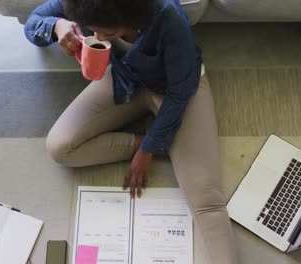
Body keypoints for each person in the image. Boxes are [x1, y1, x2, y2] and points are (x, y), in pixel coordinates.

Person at [24, 0, 238, 263]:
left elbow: (180, 92)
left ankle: (164, 145)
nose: (99, 38)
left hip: (176, 89)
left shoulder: (167, 15)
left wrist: (149, 149)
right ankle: (164, 147)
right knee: (59, 147)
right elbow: (34, 21)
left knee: (207, 200)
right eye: (93, 30)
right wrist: (56, 25)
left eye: (109, 33)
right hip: (126, 81)